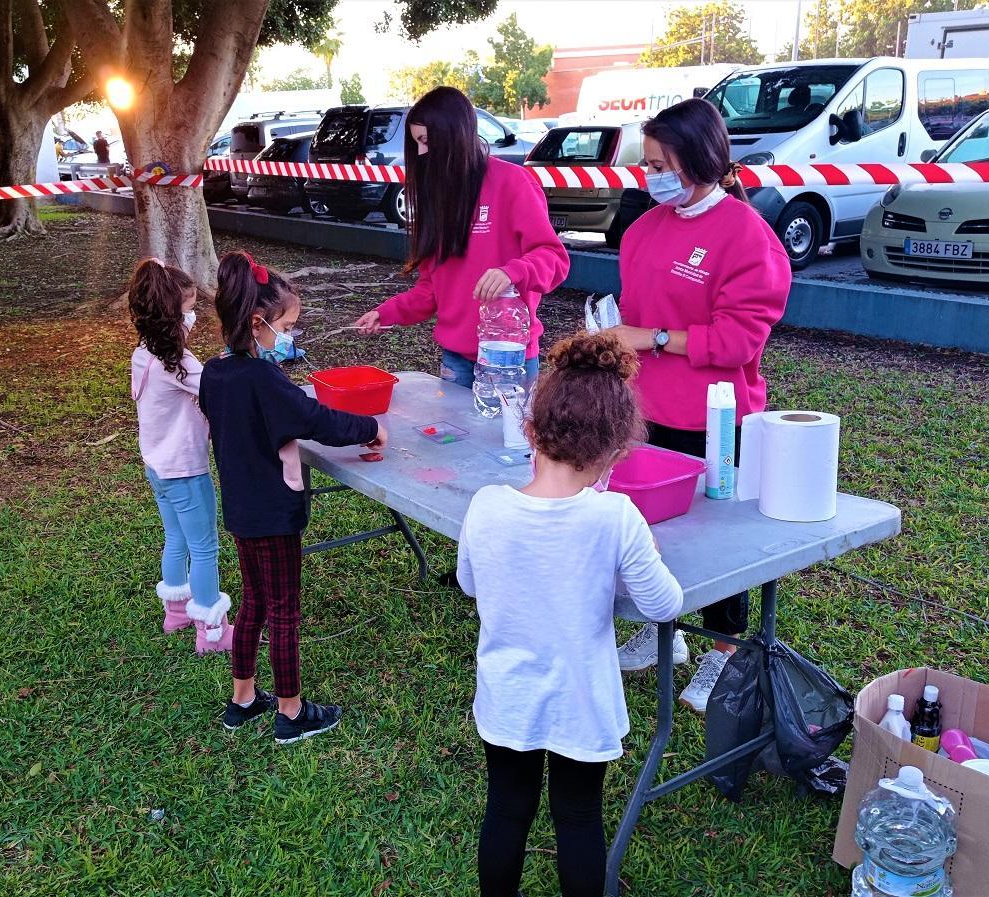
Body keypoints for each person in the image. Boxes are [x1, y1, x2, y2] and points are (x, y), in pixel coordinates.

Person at [458, 330, 683, 897]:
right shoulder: (616, 518)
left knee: (507, 811)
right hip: (581, 701)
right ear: (614, 451)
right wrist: (641, 555)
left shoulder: (486, 506)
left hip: (508, 694)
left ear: (532, 430)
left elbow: (468, 582)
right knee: (578, 820)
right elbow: (665, 605)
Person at [609, 98, 791, 713]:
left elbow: (741, 340)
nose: (652, 175)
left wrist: (654, 338)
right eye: (648, 163)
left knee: (718, 541)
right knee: (652, 528)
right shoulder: (642, 231)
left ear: (703, 159)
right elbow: (633, 313)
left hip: (717, 418)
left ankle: (723, 652)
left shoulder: (746, 236)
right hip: (645, 410)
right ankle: (662, 630)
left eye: (664, 164)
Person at [198, 251, 387, 744]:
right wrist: (370, 428)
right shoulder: (263, 378)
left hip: (240, 509)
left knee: (254, 604)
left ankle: (242, 700)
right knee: (284, 610)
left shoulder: (215, 374)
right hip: (274, 513)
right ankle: (291, 712)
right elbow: (316, 419)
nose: (291, 336)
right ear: (259, 322)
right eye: (287, 325)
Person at [354, 86, 569, 387]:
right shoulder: (437, 195)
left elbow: (555, 259)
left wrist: (512, 272)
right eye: (417, 143)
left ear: (453, 134)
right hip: (455, 357)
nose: (421, 153)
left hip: (508, 354)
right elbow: (431, 288)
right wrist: (386, 312)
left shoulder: (512, 182)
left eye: (426, 141)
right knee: (460, 434)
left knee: (509, 435)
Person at [128, 257, 231, 655]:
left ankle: (176, 611)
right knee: (205, 547)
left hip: (157, 467)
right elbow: (217, 389)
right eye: (189, 309)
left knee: (176, 538)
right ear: (171, 315)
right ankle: (213, 630)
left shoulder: (143, 353)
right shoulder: (179, 363)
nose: (193, 317)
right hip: (185, 471)